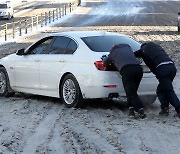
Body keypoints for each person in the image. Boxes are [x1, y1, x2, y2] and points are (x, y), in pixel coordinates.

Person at [134, 42, 180, 118]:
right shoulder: (158, 47)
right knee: (161, 90)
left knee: (169, 91)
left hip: (162, 69)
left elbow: (133, 54)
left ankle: (178, 109)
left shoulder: (143, 50)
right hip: (172, 67)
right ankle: (165, 108)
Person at [102, 44, 146, 119]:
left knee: (131, 92)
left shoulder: (113, 52)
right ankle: (131, 110)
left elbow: (105, 63)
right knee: (132, 91)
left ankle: (140, 110)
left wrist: (104, 58)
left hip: (127, 70)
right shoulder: (128, 49)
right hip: (138, 69)